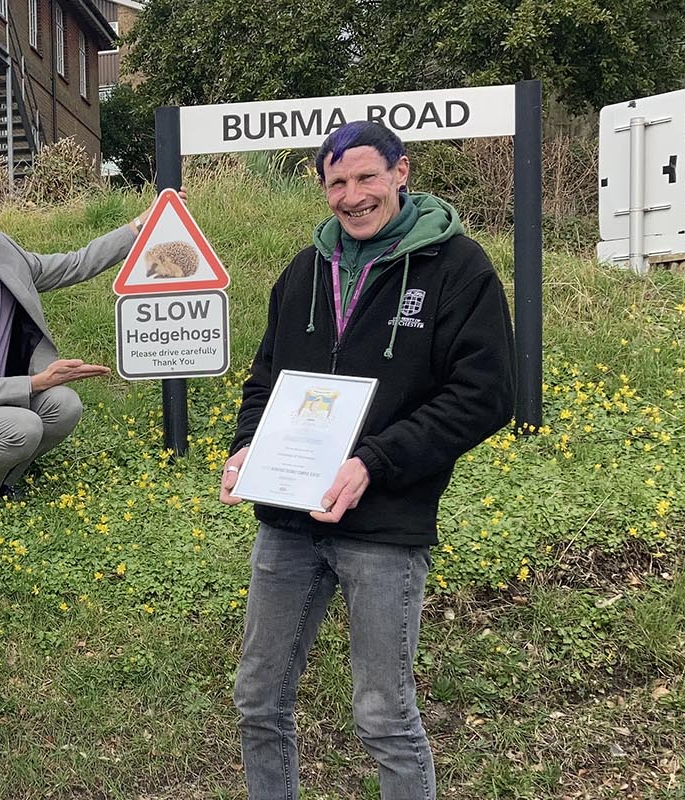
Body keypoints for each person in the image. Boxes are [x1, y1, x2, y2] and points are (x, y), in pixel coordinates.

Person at [218, 120, 516, 800]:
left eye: (366, 178)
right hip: (288, 522)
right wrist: (247, 446)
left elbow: (486, 395)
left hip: (385, 526)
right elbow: (266, 378)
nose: (353, 196)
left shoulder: (458, 268)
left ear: (400, 172)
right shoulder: (303, 270)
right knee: (258, 700)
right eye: (337, 183)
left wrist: (374, 462)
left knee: (384, 714)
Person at [0, 183, 164, 501]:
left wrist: (139, 226)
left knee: (66, 405)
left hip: (7, 400)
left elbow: (74, 265)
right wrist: (38, 382)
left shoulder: (6, 255)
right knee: (24, 426)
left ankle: (5, 480)